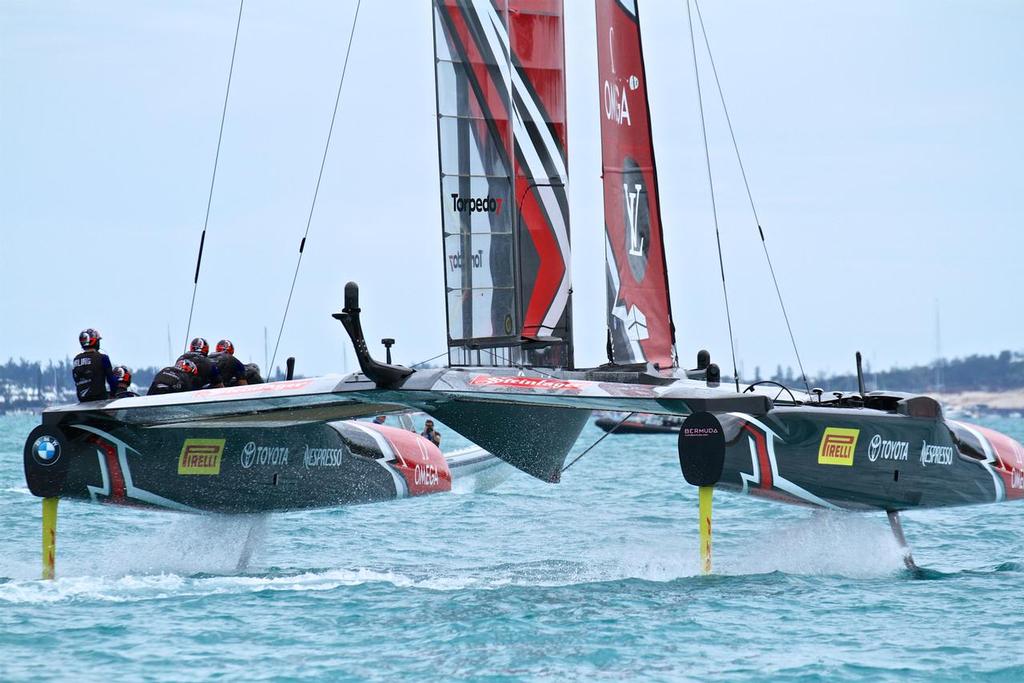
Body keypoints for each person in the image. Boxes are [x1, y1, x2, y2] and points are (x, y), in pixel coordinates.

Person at [72, 328, 117, 402]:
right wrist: (113, 394)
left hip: (83, 402)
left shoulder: (76, 359)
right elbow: (112, 381)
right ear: (95, 341)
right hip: (99, 401)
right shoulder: (103, 358)